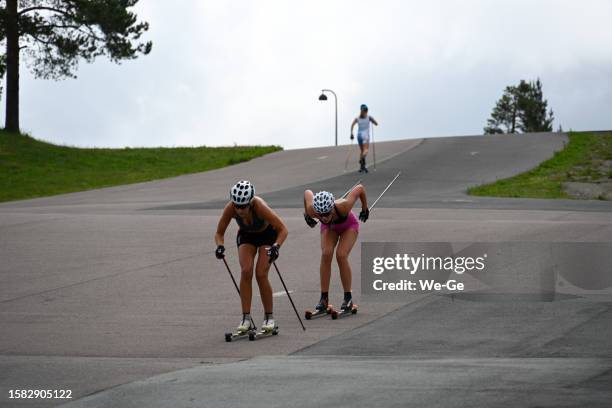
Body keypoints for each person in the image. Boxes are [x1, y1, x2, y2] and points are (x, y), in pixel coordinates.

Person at [215, 180, 288, 333]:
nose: (240, 210)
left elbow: (282, 229)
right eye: (237, 205)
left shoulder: (259, 206)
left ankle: (269, 317)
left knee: (261, 274)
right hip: (247, 235)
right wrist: (220, 246)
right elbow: (219, 233)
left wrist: (276, 246)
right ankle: (246, 318)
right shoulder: (231, 208)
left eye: (243, 206)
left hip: (267, 235)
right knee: (246, 271)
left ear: (250, 202)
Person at [303, 184, 369, 313]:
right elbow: (307, 193)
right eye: (321, 215)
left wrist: (364, 208)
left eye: (327, 213)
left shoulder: (344, 206)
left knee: (341, 255)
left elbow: (360, 188)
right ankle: (324, 299)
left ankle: (348, 298)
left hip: (348, 226)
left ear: (332, 207)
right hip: (330, 228)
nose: (324, 217)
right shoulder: (313, 210)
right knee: (326, 254)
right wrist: (307, 214)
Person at [350, 104, 379, 173]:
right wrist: (372, 121)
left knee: (362, 151)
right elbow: (376, 123)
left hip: (359, 135)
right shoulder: (369, 117)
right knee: (365, 150)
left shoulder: (357, 118)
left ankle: (362, 166)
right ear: (367, 110)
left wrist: (351, 133)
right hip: (365, 136)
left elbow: (352, 125)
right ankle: (361, 160)